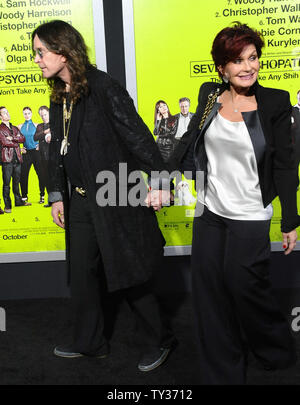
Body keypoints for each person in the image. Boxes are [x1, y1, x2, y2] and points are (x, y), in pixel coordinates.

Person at [32, 20, 175, 371]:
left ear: (63, 51)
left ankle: (161, 339)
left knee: (128, 270)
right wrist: (56, 195)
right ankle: (90, 342)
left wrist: (159, 181)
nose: (36, 59)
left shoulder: (103, 87)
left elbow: (138, 137)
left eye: (40, 52)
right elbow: (57, 152)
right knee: (81, 273)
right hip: (80, 199)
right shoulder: (57, 93)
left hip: (116, 194)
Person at [170, 22, 300, 384]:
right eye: (237, 60)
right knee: (209, 292)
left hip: (250, 214)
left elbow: (286, 165)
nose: (248, 66)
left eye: (253, 57)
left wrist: (290, 221)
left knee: (247, 290)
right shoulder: (209, 94)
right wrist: (163, 180)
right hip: (211, 211)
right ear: (221, 67)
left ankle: (274, 349)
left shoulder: (274, 101)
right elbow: (189, 139)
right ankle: (223, 373)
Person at [0, 107, 31, 213]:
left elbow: (23, 138)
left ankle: (18, 201)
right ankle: (7, 206)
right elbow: (5, 142)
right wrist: (17, 144)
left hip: (17, 158)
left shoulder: (14, 128)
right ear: (0, 117)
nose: (7, 114)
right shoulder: (0, 129)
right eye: (4, 113)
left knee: (16, 182)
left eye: (7, 111)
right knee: (7, 184)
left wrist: (12, 138)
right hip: (7, 160)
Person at [18, 107, 45, 204]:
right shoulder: (20, 126)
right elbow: (14, 139)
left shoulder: (37, 125)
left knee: (41, 174)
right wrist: (20, 148)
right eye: (25, 113)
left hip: (36, 152)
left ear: (32, 113)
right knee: (23, 175)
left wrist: (40, 145)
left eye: (28, 113)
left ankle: (42, 195)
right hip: (26, 153)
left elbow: (43, 137)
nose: (27, 115)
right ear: (23, 114)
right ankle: (24, 197)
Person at [34, 106, 51, 207]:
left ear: (48, 113)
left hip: (54, 155)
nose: (43, 117)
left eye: (45, 114)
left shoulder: (54, 124)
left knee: (55, 178)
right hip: (43, 157)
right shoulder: (40, 126)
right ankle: (50, 200)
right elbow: (35, 137)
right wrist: (45, 132)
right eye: (41, 115)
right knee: (46, 178)